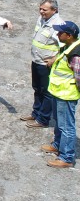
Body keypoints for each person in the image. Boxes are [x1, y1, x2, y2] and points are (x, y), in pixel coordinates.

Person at [40, 21, 80, 168]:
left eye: (60, 33)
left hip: (67, 95)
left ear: (69, 35)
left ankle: (67, 157)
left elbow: (79, 77)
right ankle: (57, 145)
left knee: (67, 126)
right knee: (59, 121)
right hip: (59, 92)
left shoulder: (76, 54)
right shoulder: (68, 46)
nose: (57, 35)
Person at [21, 0, 62, 128]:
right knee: (37, 88)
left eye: (44, 9)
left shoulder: (58, 25)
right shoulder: (42, 19)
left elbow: (65, 48)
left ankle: (43, 119)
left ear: (54, 10)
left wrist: (53, 60)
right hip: (36, 61)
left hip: (46, 65)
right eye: (40, 8)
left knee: (46, 92)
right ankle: (36, 113)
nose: (41, 11)